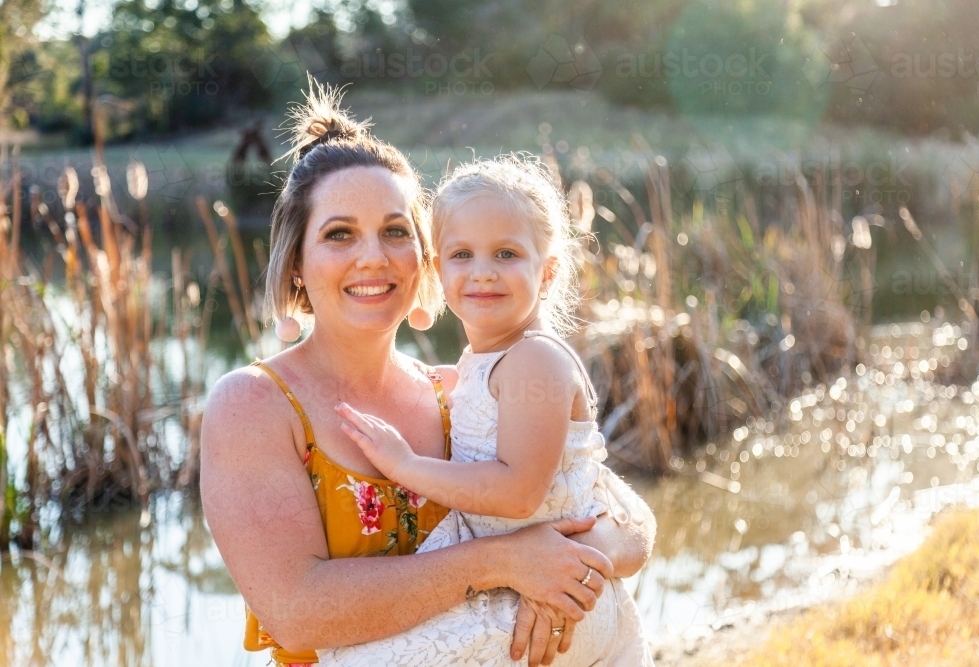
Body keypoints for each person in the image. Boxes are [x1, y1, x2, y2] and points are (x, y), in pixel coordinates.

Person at [200, 80, 658, 667]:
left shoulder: (462, 391)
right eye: (340, 234)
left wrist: (566, 568)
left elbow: (628, 517)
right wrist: (506, 560)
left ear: (424, 259)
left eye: (396, 231)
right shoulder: (254, 405)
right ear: (296, 265)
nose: (374, 257)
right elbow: (295, 612)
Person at [320, 156, 652, 666]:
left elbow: (519, 493)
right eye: (461, 254)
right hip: (525, 588)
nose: (482, 273)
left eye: (505, 253)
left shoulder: (535, 359)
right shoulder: (488, 362)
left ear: (548, 272)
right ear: (437, 270)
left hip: (551, 605)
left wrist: (407, 467)